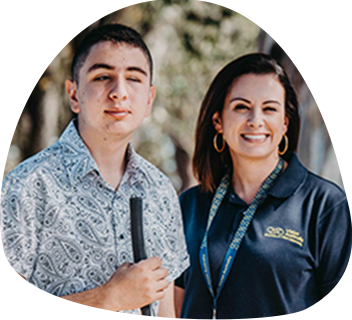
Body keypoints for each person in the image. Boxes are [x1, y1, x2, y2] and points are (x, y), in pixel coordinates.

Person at [0, 24, 189, 320]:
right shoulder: (29, 185)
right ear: (73, 94)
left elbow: (164, 311)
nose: (119, 92)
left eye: (134, 79)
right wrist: (107, 298)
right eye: (103, 77)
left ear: (149, 98)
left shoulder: (161, 190)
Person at [174, 53, 352, 320]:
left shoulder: (324, 204)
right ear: (218, 122)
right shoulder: (190, 206)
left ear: (285, 123)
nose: (255, 120)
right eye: (241, 107)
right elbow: (173, 308)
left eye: (269, 108)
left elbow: (342, 313)